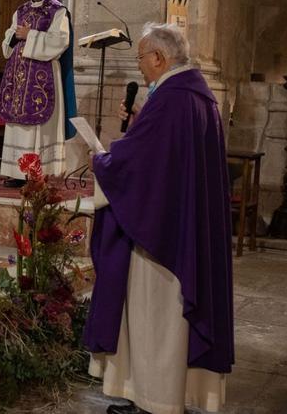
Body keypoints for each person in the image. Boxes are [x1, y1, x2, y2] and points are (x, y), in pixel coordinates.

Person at [84, 23, 234, 414]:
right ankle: (156, 397)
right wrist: (139, 119)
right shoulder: (197, 96)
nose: (140, 66)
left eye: (141, 58)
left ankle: (155, 402)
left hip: (161, 238)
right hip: (184, 227)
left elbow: (141, 163)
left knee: (155, 317)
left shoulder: (171, 99)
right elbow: (166, 154)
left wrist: (103, 162)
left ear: (159, 57)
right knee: (167, 322)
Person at [0, 0, 76, 188]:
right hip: (18, 78)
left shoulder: (57, 11)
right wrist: (14, 37)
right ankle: (16, 172)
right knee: (17, 124)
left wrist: (29, 35)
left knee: (37, 125)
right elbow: (9, 39)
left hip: (42, 78)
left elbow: (59, 42)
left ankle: (36, 173)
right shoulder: (20, 11)